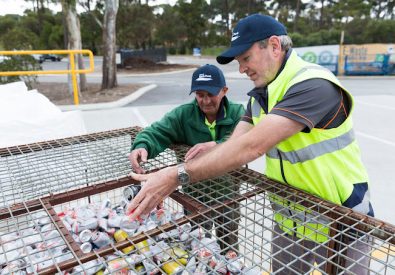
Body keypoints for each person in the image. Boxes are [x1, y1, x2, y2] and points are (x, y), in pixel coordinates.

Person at [127, 14, 374, 274]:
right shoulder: (260, 96)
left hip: (340, 221)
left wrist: (176, 176)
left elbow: (250, 147)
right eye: (238, 62)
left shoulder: (312, 85)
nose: (242, 69)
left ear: (275, 46)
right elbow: (237, 143)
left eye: (246, 58)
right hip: (290, 223)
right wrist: (217, 147)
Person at [128, 64, 245, 251]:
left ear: (224, 91)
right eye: (200, 94)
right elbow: (157, 131)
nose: (205, 100)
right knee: (198, 245)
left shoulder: (238, 113)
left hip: (228, 194)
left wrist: (216, 146)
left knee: (229, 245)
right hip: (195, 196)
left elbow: (243, 139)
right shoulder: (183, 115)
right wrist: (142, 145)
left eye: (211, 94)